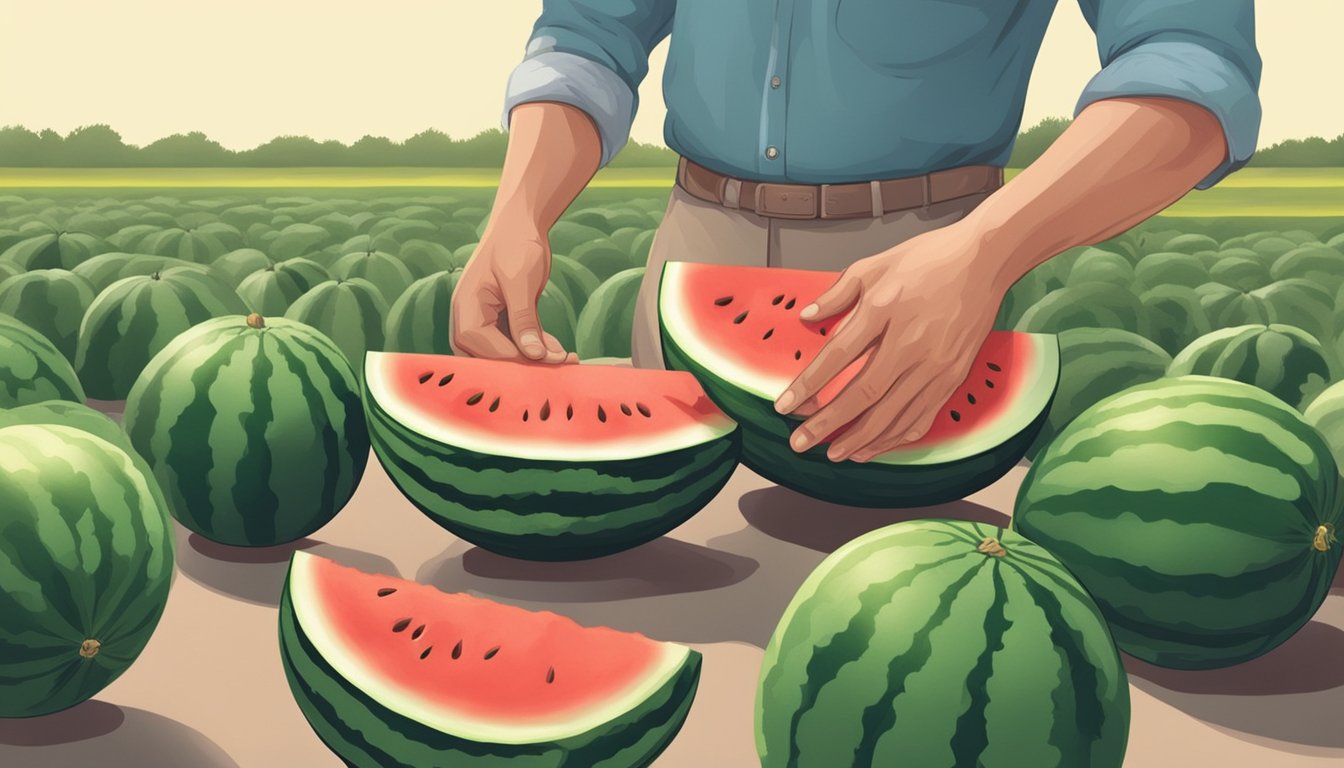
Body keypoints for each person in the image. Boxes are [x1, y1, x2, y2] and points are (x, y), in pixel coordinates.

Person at [452, 1, 1260, 464]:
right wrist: (519, 208)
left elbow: (1191, 70)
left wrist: (984, 252)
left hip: (928, 271)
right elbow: (593, 32)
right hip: (694, 247)